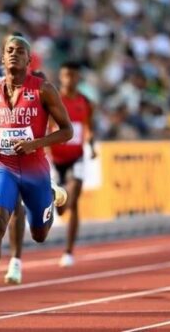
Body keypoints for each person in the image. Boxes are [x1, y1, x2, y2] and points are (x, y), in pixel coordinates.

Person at [0, 35, 73, 315]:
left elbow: (67, 131)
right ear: (2, 59)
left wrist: (34, 144)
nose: (14, 55)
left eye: (20, 51)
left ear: (29, 60)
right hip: (4, 166)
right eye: (9, 51)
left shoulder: (44, 90)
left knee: (38, 234)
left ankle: (50, 194)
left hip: (36, 170)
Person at [49, 61, 97, 267]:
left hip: (76, 156)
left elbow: (89, 128)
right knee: (62, 209)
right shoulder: (52, 100)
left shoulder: (85, 102)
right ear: (61, 77)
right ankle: (58, 199)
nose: (69, 79)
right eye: (65, 75)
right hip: (56, 158)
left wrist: (91, 145)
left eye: (72, 75)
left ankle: (68, 251)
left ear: (78, 78)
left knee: (74, 194)